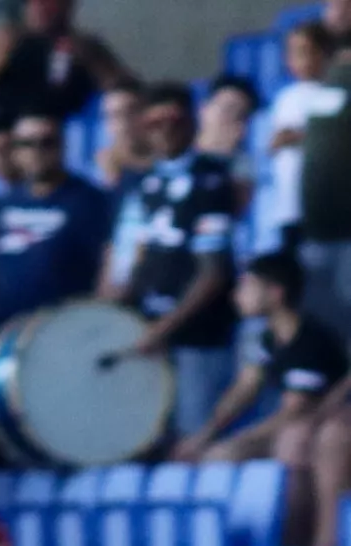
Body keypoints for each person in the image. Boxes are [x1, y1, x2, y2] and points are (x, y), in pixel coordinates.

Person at [103, 81, 242, 445]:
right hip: (144, 332)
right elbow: (127, 262)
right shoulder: (141, 185)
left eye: (173, 121)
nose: (164, 132)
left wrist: (164, 328)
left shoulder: (212, 179)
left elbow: (213, 272)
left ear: (192, 122)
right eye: (154, 124)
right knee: (142, 439)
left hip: (197, 337)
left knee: (193, 440)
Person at [183, 250, 351, 546]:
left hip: (315, 428)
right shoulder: (268, 339)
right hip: (300, 425)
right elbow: (244, 389)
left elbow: (295, 412)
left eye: (247, 286)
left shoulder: (309, 340)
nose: (237, 296)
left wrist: (241, 439)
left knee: (293, 442)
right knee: (216, 456)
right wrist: (205, 435)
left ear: (275, 293)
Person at [0, 113, 120, 327]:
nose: (37, 151)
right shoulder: (4, 202)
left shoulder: (89, 201)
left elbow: (108, 263)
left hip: (62, 331)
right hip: (6, 331)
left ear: (62, 146)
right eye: (27, 144)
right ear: (16, 151)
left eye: (47, 142)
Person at [0, 0, 131, 133]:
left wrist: (88, 59)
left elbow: (121, 85)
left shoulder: (84, 46)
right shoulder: (14, 43)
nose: (39, 7)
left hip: (67, 128)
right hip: (13, 132)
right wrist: (1, 55)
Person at [263, 21, 344, 256]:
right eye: (293, 53)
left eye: (306, 52)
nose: (298, 60)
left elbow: (334, 140)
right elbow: (273, 144)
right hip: (289, 206)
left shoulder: (334, 94)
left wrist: (299, 137)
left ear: (327, 54)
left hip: (323, 204)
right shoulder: (284, 98)